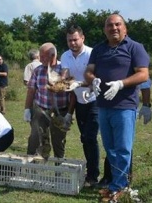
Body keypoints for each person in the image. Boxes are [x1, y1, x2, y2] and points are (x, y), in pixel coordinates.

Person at [85, 13, 149, 202]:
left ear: (125, 28)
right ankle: (117, 183)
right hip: (104, 105)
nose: (114, 28)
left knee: (123, 148)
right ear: (105, 29)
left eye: (118, 24)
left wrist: (121, 83)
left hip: (124, 105)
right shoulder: (98, 49)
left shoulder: (135, 48)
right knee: (110, 148)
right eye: (110, 25)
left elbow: (144, 75)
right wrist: (93, 79)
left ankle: (119, 186)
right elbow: (88, 71)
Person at [60, 25, 100, 188]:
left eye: (75, 39)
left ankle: (93, 175)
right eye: (70, 40)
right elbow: (66, 74)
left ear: (82, 38)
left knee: (90, 137)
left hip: (94, 99)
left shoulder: (92, 53)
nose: (73, 43)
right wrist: (60, 82)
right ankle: (91, 173)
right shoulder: (65, 55)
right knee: (85, 139)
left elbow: (96, 76)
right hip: (79, 101)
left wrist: (81, 84)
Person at [23, 43, 70, 159]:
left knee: (58, 142)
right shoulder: (38, 70)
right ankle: (32, 169)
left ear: (53, 56)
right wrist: (27, 109)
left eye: (44, 57)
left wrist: (69, 112)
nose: (41, 59)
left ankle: (59, 169)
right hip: (41, 110)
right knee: (35, 139)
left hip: (60, 112)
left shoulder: (64, 69)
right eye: (40, 56)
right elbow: (31, 90)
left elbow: (71, 92)